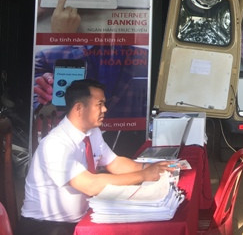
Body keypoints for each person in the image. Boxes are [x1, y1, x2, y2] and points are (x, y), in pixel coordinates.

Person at [19, 79, 173, 235]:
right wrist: (144, 175)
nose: (105, 109)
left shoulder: (92, 132)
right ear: (79, 108)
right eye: (99, 104)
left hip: (82, 219)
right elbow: (91, 185)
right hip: (48, 227)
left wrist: (153, 168)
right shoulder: (56, 143)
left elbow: (115, 163)